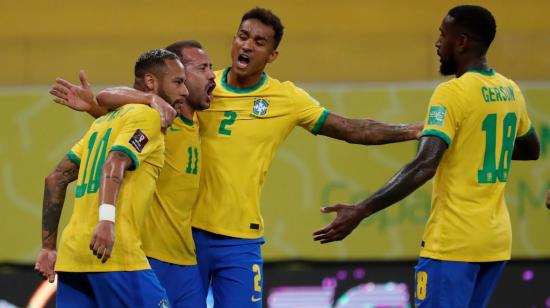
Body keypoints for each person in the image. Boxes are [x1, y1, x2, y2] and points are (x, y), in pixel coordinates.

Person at [96, 7, 422, 307]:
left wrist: (409, 130)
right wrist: (97, 101)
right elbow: (139, 102)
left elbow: (351, 129)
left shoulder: (287, 98)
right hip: (184, 239)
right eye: (242, 36)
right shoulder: (198, 86)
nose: (246, 46)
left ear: (272, 55)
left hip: (240, 240)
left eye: (259, 41)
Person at [313, 5, 540, 307]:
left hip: (453, 244)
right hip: (495, 243)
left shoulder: (452, 93)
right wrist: (478, 146)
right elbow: (530, 148)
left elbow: (424, 165)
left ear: (461, 42)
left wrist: (361, 210)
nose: (436, 43)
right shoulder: (510, 90)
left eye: (442, 35)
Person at [48, 41, 216, 307]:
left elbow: (55, 178)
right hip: (124, 252)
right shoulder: (153, 117)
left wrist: (47, 247)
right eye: (179, 80)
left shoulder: (106, 124)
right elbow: (114, 157)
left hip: (77, 255)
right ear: (152, 81)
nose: (211, 75)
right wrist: (106, 220)